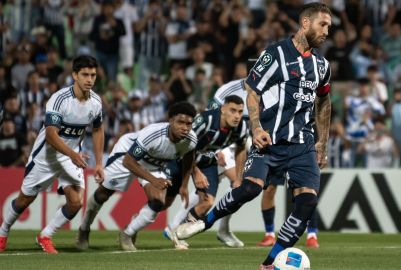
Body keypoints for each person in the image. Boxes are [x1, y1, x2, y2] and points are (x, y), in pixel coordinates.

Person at [175, 3, 332, 269]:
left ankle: (269, 264)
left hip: (302, 145)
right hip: (268, 141)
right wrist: (257, 127)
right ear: (305, 23)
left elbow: (324, 102)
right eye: (323, 24)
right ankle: (205, 221)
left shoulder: (322, 65)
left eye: (329, 26)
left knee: (307, 203)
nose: (327, 31)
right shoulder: (275, 54)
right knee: (250, 189)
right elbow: (252, 90)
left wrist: (322, 142)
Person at [0, 55, 104, 254]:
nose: (89, 79)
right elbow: (50, 135)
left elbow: (98, 130)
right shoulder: (59, 99)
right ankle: (3, 231)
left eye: (93, 75)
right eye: (85, 75)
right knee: (25, 200)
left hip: (71, 156)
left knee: (75, 203)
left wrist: (99, 163)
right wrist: (73, 154)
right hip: (46, 156)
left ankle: (45, 235)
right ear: (74, 75)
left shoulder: (96, 103)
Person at [76, 102, 202, 251]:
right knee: (103, 194)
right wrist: (154, 180)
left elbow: (189, 160)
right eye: (180, 122)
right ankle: (84, 229)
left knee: (158, 202)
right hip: (127, 154)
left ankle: (127, 234)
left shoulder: (191, 140)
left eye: (189, 124)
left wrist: (184, 186)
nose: (185, 128)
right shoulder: (153, 134)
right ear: (170, 120)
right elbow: (128, 161)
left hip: (154, 163)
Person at [165, 95, 248, 249]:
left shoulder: (242, 127)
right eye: (233, 110)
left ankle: (179, 233)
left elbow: (241, 148)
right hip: (182, 157)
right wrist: (195, 172)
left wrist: (238, 177)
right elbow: (184, 145)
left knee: (208, 201)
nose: (237, 116)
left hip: (207, 161)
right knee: (162, 203)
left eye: (240, 112)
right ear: (223, 109)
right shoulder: (205, 120)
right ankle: (132, 229)